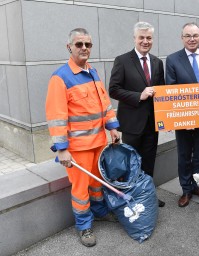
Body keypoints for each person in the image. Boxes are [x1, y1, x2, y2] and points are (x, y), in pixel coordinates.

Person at [45, 28, 120, 247]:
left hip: (99, 143)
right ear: (69, 47)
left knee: (97, 183)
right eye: (79, 44)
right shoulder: (60, 78)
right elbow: (56, 117)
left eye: (88, 44)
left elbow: (104, 104)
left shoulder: (93, 72)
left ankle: (99, 212)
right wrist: (62, 149)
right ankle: (84, 226)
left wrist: (113, 127)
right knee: (80, 190)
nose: (84, 48)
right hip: (78, 149)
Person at [109, 22, 166, 207]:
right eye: (141, 37)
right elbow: (114, 90)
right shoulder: (122, 60)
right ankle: (130, 200)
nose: (145, 41)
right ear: (134, 38)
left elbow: (162, 91)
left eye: (148, 38)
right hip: (132, 124)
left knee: (149, 163)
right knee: (131, 163)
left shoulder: (157, 62)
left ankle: (148, 196)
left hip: (152, 124)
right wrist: (138, 96)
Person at [166, 22, 199, 207]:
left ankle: (197, 186)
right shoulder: (173, 59)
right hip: (183, 117)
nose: (192, 39)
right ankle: (186, 190)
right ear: (182, 38)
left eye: (195, 35)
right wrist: (182, 116)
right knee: (184, 154)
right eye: (188, 35)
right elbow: (170, 88)